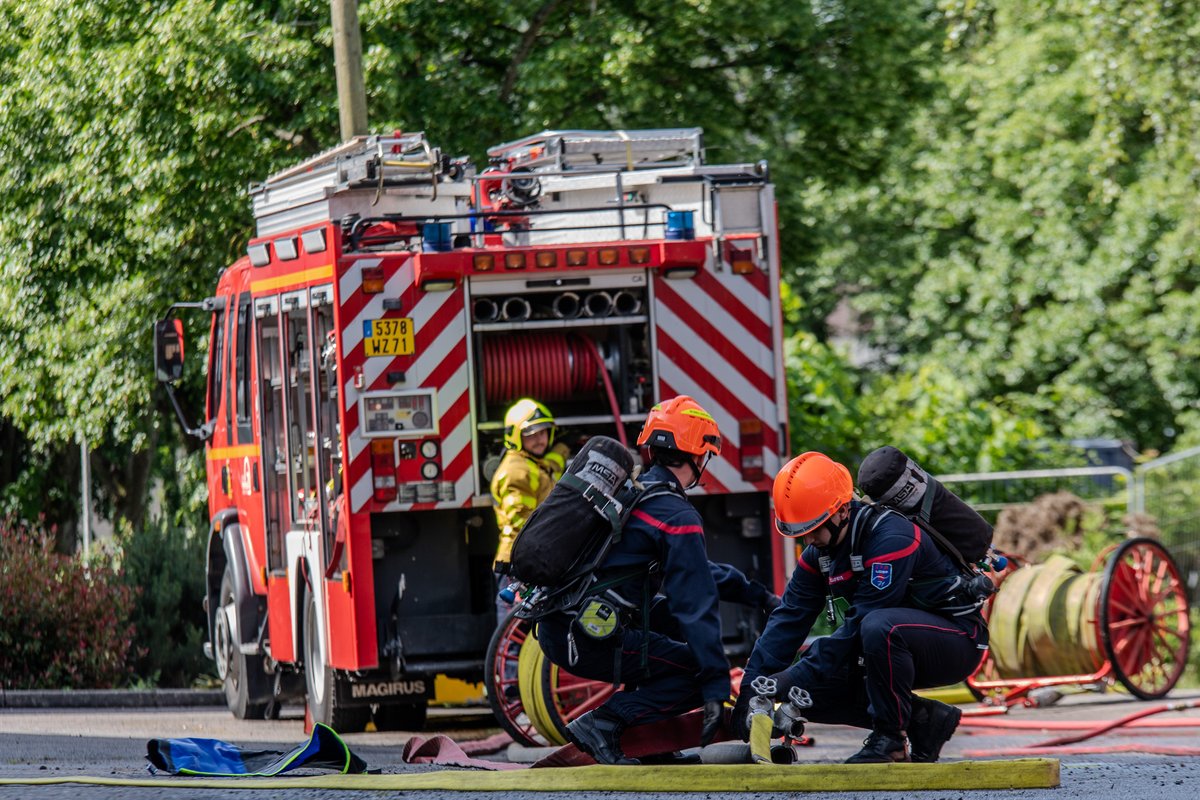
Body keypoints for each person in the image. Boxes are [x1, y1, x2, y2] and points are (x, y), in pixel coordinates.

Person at [535, 395, 777, 765]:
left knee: (665, 620)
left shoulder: (634, 494)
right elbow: (695, 603)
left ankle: (651, 743)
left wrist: (757, 596)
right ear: (698, 455)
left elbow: (701, 573)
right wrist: (714, 685)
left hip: (562, 626)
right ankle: (605, 723)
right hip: (590, 637)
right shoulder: (675, 514)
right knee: (696, 669)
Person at [731, 451, 988, 764]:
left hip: (955, 640)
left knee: (878, 626)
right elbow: (787, 620)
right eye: (800, 532)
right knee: (808, 685)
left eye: (814, 528)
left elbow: (859, 625)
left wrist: (790, 676)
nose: (809, 539)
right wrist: (751, 689)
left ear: (840, 512)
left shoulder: (892, 537)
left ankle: (890, 739)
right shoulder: (819, 553)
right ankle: (924, 721)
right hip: (891, 645)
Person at [491, 398, 570, 618]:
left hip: (529, 557)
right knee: (514, 629)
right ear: (515, 437)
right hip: (518, 564)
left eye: (543, 433)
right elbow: (521, 522)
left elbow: (550, 466)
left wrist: (563, 449)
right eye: (531, 434)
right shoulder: (517, 471)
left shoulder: (533, 463)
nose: (539, 440)